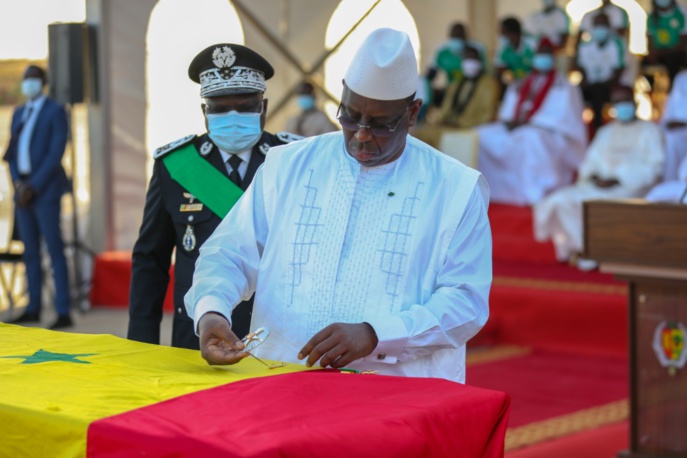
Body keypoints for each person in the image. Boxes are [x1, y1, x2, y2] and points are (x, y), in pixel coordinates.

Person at [184, 28, 491, 383]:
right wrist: (212, 311)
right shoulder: (288, 164)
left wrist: (376, 334)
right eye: (349, 115)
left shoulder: (455, 188)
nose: (360, 133)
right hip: (283, 379)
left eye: (379, 124)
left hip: (398, 393)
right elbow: (229, 253)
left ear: (411, 114)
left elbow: (465, 302)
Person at [127, 43, 298, 350]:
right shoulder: (176, 166)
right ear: (204, 112)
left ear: (264, 108)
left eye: (245, 106)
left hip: (275, 333)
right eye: (220, 108)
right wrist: (141, 343)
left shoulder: (291, 160)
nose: (233, 116)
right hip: (196, 333)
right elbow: (150, 260)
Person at [534, 85, 665, 269]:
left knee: (601, 205)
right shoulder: (606, 132)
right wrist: (594, 177)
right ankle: (584, 248)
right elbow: (590, 162)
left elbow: (654, 167)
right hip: (597, 184)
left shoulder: (651, 131)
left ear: (635, 102)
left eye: (626, 101)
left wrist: (618, 178)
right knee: (559, 201)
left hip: (629, 186)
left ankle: (593, 251)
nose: (623, 106)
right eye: (618, 103)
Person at [477, 38, 587, 206]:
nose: (542, 58)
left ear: (553, 58)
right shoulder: (523, 81)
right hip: (519, 125)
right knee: (482, 134)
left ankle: (534, 193)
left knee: (531, 138)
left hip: (549, 132)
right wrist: (509, 121)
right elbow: (509, 109)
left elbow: (564, 117)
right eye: (539, 54)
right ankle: (492, 189)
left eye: (546, 54)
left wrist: (530, 122)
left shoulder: (563, 85)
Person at [4, 65, 73, 330]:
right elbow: (11, 151)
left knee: (54, 250)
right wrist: (18, 184)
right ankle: (33, 307)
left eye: (33, 79)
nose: (28, 84)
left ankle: (63, 310)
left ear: (42, 83)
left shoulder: (55, 111)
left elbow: (56, 152)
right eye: (25, 80)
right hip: (23, 192)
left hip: (45, 190)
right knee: (29, 251)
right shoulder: (19, 112)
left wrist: (33, 185)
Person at [576, 13, 626, 131]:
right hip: (590, 86)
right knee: (573, 92)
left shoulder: (617, 44)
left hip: (609, 86)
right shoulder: (584, 46)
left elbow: (617, 73)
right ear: (592, 26)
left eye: (603, 24)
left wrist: (600, 85)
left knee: (598, 91)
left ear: (609, 26)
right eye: (597, 24)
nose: (600, 28)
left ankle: (597, 127)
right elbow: (582, 72)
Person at [437, 45, 499, 128]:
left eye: (472, 59)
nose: (469, 63)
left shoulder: (489, 85)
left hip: (473, 127)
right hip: (450, 125)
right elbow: (445, 108)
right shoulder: (455, 84)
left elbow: (487, 115)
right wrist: (442, 120)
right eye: (466, 58)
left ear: (479, 62)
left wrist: (462, 123)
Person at [644, 0, 687, 87]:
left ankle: (673, 89)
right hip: (659, 53)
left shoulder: (681, 13)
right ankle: (651, 90)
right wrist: (652, 54)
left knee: (673, 62)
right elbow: (649, 38)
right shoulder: (652, 16)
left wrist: (667, 51)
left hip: (677, 53)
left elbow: (683, 40)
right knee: (644, 64)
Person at [494, 17, 538, 95]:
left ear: (513, 33)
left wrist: (526, 82)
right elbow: (501, 70)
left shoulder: (532, 45)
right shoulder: (502, 49)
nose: (501, 36)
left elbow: (539, 68)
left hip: (534, 84)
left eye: (503, 33)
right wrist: (511, 82)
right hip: (513, 85)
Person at [658, 70, 687, 181]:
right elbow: (669, 117)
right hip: (678, 131)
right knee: (670, 138)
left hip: (682, 129)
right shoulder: (681, 78)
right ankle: (670, 181)